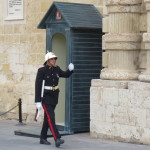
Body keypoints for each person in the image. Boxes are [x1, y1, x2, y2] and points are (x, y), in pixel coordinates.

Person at [35, 52, 74, 147]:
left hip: (54, 96)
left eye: (54, 59)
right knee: (51, 118)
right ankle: (57, 138)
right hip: (46, 97)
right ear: (47, 60)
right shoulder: (42, 70)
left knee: (47, 118)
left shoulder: (56, 69)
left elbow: (65, 75)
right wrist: (37, 101)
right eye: (52, 59)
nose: (54, 60)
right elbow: (38, 86)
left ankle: (43, 138)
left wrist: (70, 70)